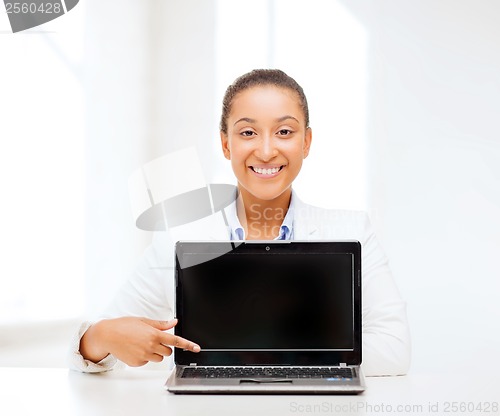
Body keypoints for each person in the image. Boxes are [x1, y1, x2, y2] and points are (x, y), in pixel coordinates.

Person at [70, 69, 411, 376]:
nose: (265, 151)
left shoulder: (351, 231)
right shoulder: (179, 236)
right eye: (247, 132)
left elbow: (396, 350)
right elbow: (93, 353)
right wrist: (100, 337)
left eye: (284, 131)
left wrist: (265, 352)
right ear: (225, 143)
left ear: (306, 142)